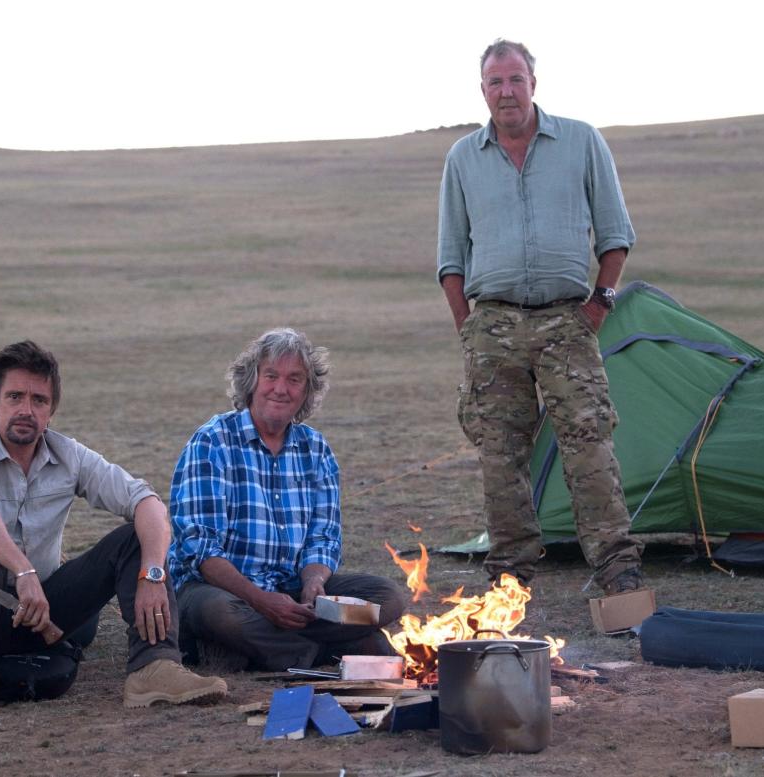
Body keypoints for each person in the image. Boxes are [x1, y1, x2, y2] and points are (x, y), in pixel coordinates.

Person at [436, 39, 645, 594]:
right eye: (495, 82)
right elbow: (451, 258)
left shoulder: (581, 142)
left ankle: (617, 567)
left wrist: (598, 306)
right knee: (499, 453)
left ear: (534, 82)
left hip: (566, 320)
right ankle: (510, 574)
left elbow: (616, 235)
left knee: (589, 441)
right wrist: (469, 329)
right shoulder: (462, 158)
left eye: (515, 79)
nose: (507, 91)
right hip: (493, 325)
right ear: (483, 91)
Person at [0, 341, 227, 716]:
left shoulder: (68, 455)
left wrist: (153, 572)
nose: (26, 410)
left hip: (37, 612)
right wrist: (23, 570)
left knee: (135, 540)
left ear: (51, 411)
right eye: (15, 397)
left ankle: (155, 668)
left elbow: (146, 502)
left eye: (39, 400)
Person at [169, 328, 407, 671]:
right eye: (271, 376)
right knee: (220, 614)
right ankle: (326, 650)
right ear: (251, 381)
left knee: (388, 598)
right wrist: (262, 601)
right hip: (222, 591)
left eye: (295, 379)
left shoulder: (316, 448)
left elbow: (324, 538)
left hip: (294, 594)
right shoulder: (212, 442)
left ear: (307, 391)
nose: (281, 389)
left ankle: (271, 650)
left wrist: (314, 583)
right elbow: (201, 551)